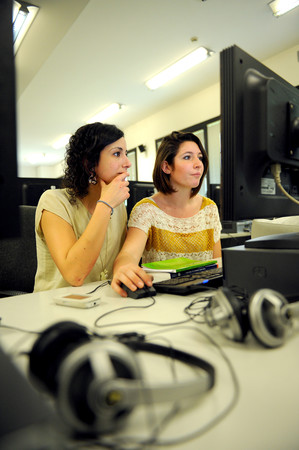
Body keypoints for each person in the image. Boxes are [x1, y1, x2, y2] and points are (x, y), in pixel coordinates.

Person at [112, 130, 222, 297]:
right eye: (187, 157)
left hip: (202, 296)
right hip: (162, 298)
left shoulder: (209, 208)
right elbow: (128, 255)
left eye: (199, 157)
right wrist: (124, 268)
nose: (198, 164)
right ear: (166, 166)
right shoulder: (146, 209)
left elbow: (217, 264)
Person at [34, 122, 131, 292]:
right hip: (57, 306)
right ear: (89, 164)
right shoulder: (53, 202)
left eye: (126, 154)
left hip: (104, 302)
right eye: (117, 154)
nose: (127, 163)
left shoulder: (118, 206)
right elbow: (75, 275)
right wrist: (105, 204)